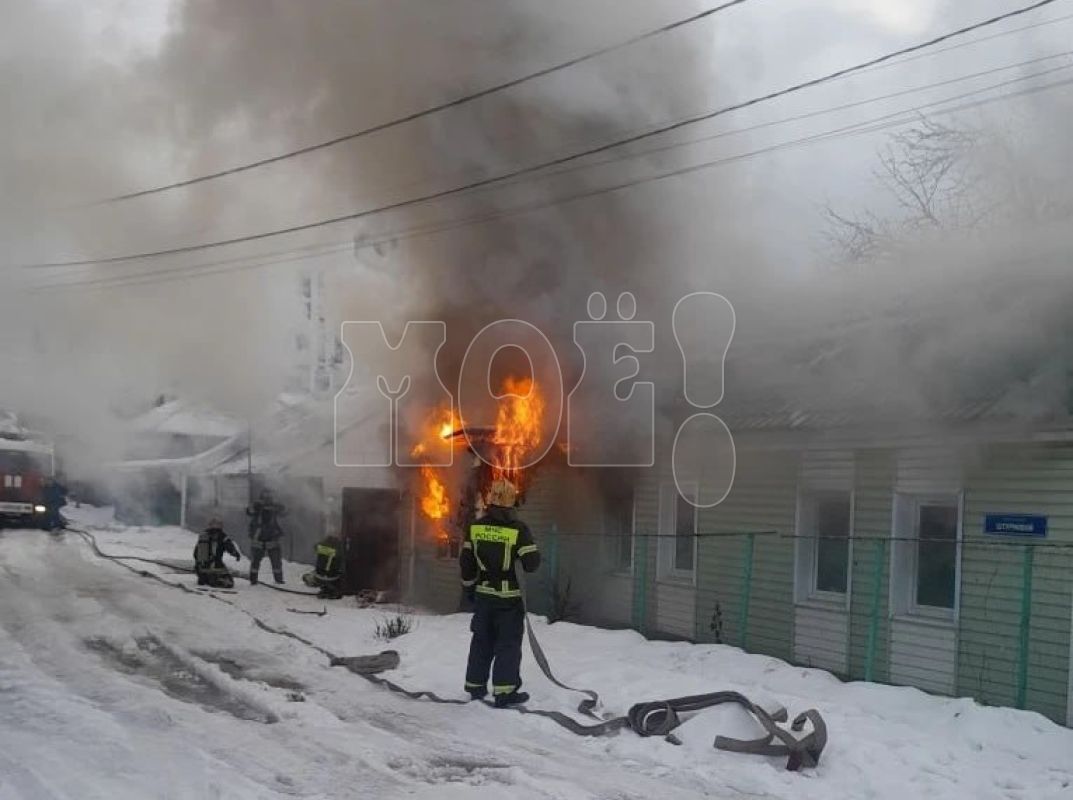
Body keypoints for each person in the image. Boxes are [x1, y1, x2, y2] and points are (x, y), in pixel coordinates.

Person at [460, 478, 540, 708]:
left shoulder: (475, 528)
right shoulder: (518, 530)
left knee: (481, 641)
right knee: (508, 645)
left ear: (490, 500)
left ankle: (475, 687)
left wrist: (469, 589)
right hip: (508, 600)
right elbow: (532, 563)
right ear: (511, 502)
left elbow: (466, 564)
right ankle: (505, 692)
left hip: (483, 597)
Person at [246, 489, 287, 585]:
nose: (267, 498)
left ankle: (279, 580)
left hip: (272, 537)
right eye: (265, 495)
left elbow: (285, 512)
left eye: (269, 495)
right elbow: (249, 511)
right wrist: (256, 506)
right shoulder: (257, 506)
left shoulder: (275, 506)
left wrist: (280, 507)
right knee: (255, 562)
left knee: (276, 562)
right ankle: (253, 580)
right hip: (258, 537)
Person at [193, 518, 242, 588]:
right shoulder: (223, 537)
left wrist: (198, 565)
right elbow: (230, 547)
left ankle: (206, 579)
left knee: (206, 579)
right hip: (217, 565)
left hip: (201, 568)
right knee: (229, 583)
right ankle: (215, 580)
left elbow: (195, 553)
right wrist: (236, 554)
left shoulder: (203, 536)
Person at [301, 533, 344, 599]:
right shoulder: (338, 549)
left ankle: (326, 589)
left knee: (307, 576)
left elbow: (315, 546)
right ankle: (330, 590)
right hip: (332, 575)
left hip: (319, 574)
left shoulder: (320, 547)